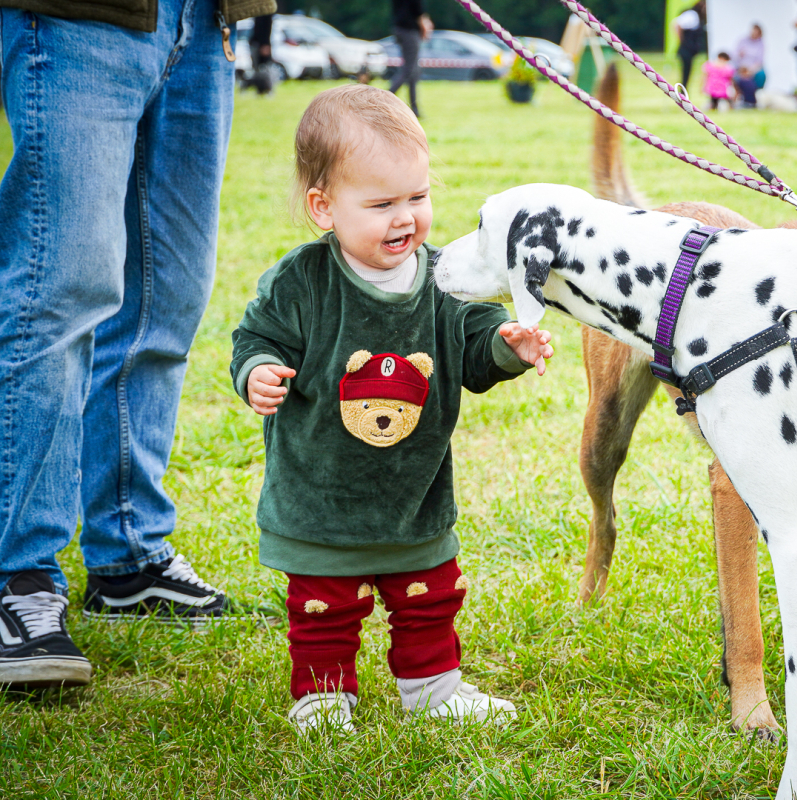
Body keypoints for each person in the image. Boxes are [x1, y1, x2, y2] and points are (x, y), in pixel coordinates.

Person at [230, 85, 555, 731]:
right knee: (324, 603)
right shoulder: (302, 281)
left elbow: (472, 347)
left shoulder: (442, 277)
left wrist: (506, 345)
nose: (405, 217)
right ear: (324, 208)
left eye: (417, 197)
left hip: (414, 490)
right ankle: (323, 696)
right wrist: (257, 372)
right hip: (321, 491)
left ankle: (433, 687)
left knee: (430, 595)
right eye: (381, 204)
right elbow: (255, 338)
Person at [0, 0, 274, 690]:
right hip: (79, 13)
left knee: (167, 296)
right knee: (57, 286)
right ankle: (18, 576)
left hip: (204, 23)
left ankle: (129, 558)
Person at [390, 0, 434, 117]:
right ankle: (385, 97)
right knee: (409, 69)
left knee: (414, 71)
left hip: (400, 29)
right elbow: (418, 10)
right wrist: (425, 26)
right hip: (409, 30)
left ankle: (414, 109)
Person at [673, 1, 706, 93]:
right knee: (685, 73)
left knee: (687, 73)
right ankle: (682, 92)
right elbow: (677, 24)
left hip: (689, 50)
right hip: (686, 49)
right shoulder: (692, 14)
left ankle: (683, 92)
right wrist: (682, 41)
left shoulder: (697, 15)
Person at [241, 14, 276, 96]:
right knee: (257, 69)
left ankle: (266, 89)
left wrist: (265, 43)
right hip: (255, 42)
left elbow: (266, 27)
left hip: (260, 44)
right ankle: (260, 89)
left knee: (264, 68)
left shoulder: (266, 11)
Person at [734, 24, 765, 108]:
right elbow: (735, 56)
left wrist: (750, 71)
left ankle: (752, 100)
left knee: (760, 75)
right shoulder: (742, 41)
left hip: (752, 69)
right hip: (741, 67)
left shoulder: (760, 44)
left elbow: (759, 61)